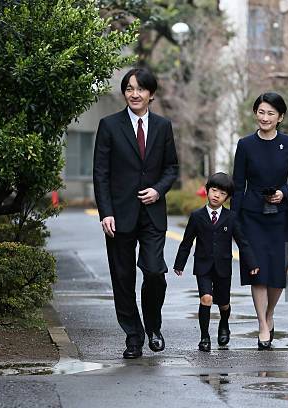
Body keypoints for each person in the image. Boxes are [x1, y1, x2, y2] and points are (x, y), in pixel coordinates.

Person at [93, 67, 179, 359]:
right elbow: (100, 173)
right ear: (124, 92)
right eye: (129, 88)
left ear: (151, 94)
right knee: (123, 277)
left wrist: (158, 190)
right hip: (119, 214)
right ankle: (133, 336)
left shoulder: (163, 126)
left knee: (154, 271)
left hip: (153, 213)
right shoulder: (109, 125)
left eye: (140, 89)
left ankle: (153, 325)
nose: (135, 94)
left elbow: (171, 168)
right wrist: (105, 212)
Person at [231, 92, 288, 350]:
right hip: (252, 216)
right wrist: (234, 218)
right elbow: (238, 184)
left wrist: (284, 193)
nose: (265, 117)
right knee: (258, 273)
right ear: (255, 114)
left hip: (281, 217)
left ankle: (269, 313)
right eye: (261, 112)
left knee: (277, 275)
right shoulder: (245, 145)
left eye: (271, 113)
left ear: (280, 117)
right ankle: (262, 323)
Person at [173, 173, 259, 352]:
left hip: (223, 266)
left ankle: (224, 323)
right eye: (213, 190)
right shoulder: (197, 216)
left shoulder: (231, 217)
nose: (216, 195)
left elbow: (242, 242)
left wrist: (252, 264)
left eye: (222, 193)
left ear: (227, 198)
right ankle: (204, 337)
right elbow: (187, 241)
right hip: (203, 266)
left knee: (223, 302)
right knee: (206, 298)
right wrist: (179, 264)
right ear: (207, 191)